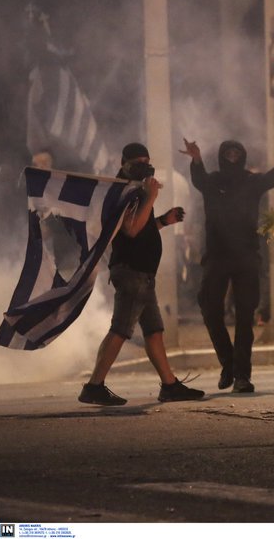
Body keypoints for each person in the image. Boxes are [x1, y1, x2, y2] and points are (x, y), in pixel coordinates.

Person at [78, 143, 205, 406]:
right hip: (132, 272)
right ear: (123, 163)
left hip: (143, 274)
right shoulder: (125, 191)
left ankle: (169, 385)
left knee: (154, 331)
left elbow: (144, 228)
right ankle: (93, 386)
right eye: (137, 161)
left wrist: (163, 221)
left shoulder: (137, 190)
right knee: (120, 330)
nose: (143, 165)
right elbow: (131, 230)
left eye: (146, 160)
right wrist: (152, 198)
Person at [180, 138, 274, 394]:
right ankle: (229, 364)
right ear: (222, 157)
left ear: (243, 156)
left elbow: (273, 178)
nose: (233, 157)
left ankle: (242, 376)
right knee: (210, 308)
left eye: (237, 153)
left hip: (246, 256)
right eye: (229, 153)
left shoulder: (251, 181)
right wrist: (196, 159)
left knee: (245, 317)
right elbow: (198, 179)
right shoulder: (212, 182)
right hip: (217, 255)